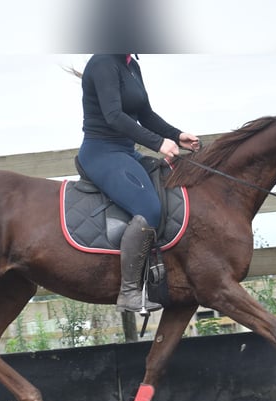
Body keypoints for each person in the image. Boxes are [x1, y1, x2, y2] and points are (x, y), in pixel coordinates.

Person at [77, 54, 200, 314]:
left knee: (171, 182)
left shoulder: (131, 65)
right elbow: (114, 116)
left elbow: (145, 114)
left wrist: (176, 135)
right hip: (101, 152)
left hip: (125, 152)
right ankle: (129, 292)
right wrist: (158, 143)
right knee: (149, 209)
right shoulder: (103, 63)